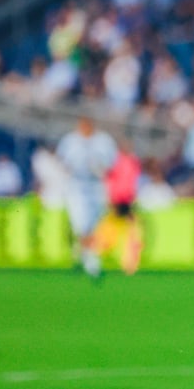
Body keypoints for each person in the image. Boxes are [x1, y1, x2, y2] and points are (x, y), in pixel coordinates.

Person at [56, 115, 118, 278]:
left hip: (97, 184)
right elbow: (62, 162)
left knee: (96, 223)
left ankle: (87, 255)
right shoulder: (70, 140)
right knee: (81, 222)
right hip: (77, 184)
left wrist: (99, 167)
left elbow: (111, 163)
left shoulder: (104, 141)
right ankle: (90, 259)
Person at [92, 140, 144, 275]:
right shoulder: (115, 161)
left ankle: (129, 264)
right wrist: (110, 198)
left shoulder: (133, 162)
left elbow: (134, 183)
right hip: (116, 201)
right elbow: (109, 180)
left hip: (127, 201)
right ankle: (94, 257)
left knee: (132, 234)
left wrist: (133, 198)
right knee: (107, 232)